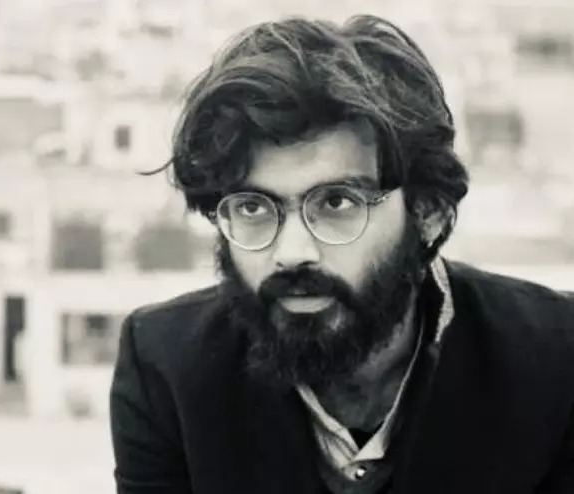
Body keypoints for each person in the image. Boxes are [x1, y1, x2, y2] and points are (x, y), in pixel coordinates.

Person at [108, 14, 574, 494]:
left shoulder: (556, 359)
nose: (292, 253)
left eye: (336, 203)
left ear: (428, 212)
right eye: (253, 207)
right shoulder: (166, 367)